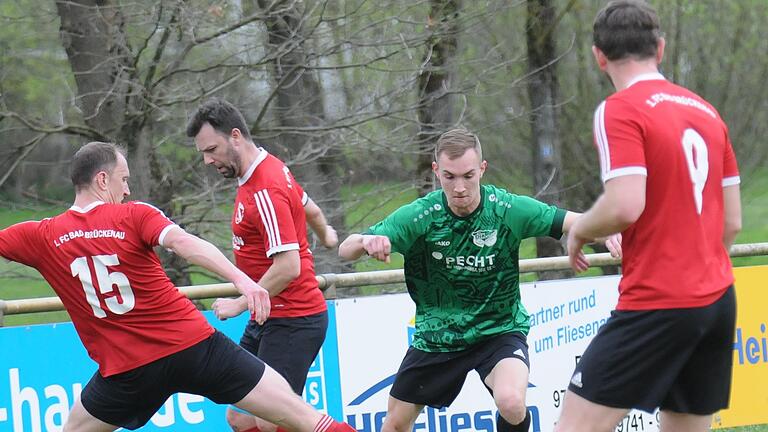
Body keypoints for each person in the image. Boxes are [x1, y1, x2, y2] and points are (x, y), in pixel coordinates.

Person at [0, 142, 354, 432]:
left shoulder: (41, 234)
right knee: (305, 418)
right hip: (194, 348)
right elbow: (184, 243)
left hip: (128, 371)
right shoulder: (134, 214)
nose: (128, 189)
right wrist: (242, 280)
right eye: (124, 180)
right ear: (102, 180)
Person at [338, 128, 621, 432]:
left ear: (482, 170)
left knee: (511, 402)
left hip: (498, 330)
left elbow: (572, 221)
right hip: (438, 337)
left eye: (468, 176)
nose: (459, 187)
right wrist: (367, 242)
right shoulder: (421, 216)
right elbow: (345, 250)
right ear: (436, 172)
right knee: (394, 423)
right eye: (449, 177)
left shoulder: (506, 209)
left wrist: (611, 232)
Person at [556, 2, 742, 431]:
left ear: (598, 56)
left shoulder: (619, 109)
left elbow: (625, 204)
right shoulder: (708, 112)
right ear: (660, 48)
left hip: (658, 299)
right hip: (716, 300)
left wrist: (580, 229)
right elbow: (730, 221)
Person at [187, 99, 338, 432]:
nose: (208, 160)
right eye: (202, 152)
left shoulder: (265, 187)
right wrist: (326, 233)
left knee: (273, 421)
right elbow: (309, 207)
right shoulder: (267, 171)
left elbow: (288, 266)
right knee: (240, 416)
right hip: (268, 315)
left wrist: (239, 303)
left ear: (236, 136)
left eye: (212, 149)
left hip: (293, 318)